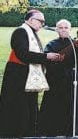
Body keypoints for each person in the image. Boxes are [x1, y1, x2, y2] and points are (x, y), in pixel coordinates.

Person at [0, 9, 60, 137]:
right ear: (31, 20)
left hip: (26, 74)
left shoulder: (30, 32)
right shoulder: (20, 32)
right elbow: (23, 55)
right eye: (41, 21)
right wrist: (46, 57)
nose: (42, 24)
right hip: (18, 75)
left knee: (29, 107)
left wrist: (48, 58)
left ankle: (29, 133)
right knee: (19, 108)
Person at [38, 19, 78, 136]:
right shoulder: (51, 44)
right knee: (54, 106)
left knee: (72, 104)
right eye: (60, 28)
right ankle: (52, 130)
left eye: (66, 27)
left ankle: (73, 130)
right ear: (57, 30)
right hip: (56, 79)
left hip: (71, 78)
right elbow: (45, 59)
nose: (63, 30)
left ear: (70, 29)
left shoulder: (76, 43)